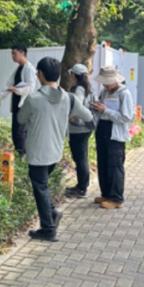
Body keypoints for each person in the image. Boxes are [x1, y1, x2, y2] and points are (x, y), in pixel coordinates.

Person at [15, 57, 90, 242]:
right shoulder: (69, 98)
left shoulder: (33, 99)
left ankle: (48, 229)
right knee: (42, 186)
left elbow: (20, 119)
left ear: (40, 74)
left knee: (40, 188)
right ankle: (52, 215)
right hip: (55, 151)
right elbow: (88, 116)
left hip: (37, 153)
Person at [90, 66, 137, 210]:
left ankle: (116, 198)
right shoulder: (104, 92)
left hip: (115, 132)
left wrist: (106, 110)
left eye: (107, 82)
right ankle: (106, 194)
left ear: (115, 81)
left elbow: (126, 117)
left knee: (114, 164)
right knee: (103, 163)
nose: (105, 85)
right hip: (103, 129)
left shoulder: (124, 94)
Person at [63, 63, 95, 198]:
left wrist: (72, 116)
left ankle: (82, 188)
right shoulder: (89, 88)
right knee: (82, 157)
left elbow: (78, 105)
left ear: (74, 75)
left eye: (71, 74)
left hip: (78, 129)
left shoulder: (79, 89)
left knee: (80, 158)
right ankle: (82, 185)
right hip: (86, 127)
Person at [3, 45, 32, 158]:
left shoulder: (29, 69)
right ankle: (20, 155)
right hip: (16, 105)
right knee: (16, 132)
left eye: (14, 53)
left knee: (21, 132)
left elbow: (30, 88)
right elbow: (9, 84)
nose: (12, 56)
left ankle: (23, 156)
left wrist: (17, 90)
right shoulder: (18, 69)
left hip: (23, 106)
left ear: (22, 53)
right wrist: (0, 98)